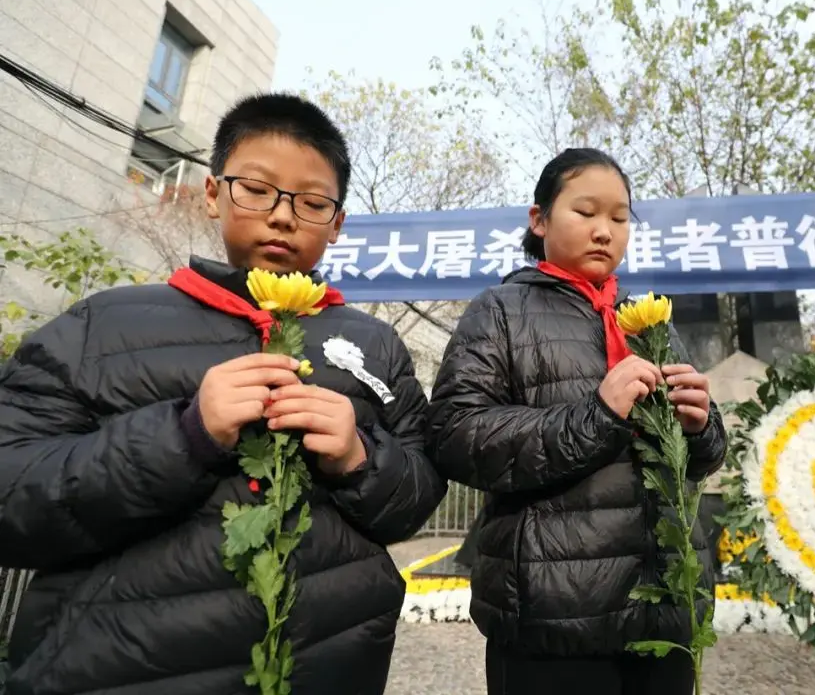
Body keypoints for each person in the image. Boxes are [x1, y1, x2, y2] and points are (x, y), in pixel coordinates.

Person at [0, 93, 446, 695]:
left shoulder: (376, 345)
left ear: (337, 223)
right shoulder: (102, 326)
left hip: (331, 664)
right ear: (213, 194)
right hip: (117, 669)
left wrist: (359, 459)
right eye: (256, 189)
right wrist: (181, 435)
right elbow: (12, 494)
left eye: (312, 202)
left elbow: (418, 496)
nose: (282, 216)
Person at [427, 148, 727, 695]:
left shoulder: (646, 319)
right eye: (585, 212)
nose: (604, 231)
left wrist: (702, 426)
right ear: (539, 219)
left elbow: (703, 460)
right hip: (553, 618)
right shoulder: (500, 311)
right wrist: (595, 416)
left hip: (665, 609)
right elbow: (454, 435)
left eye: (618, 218)